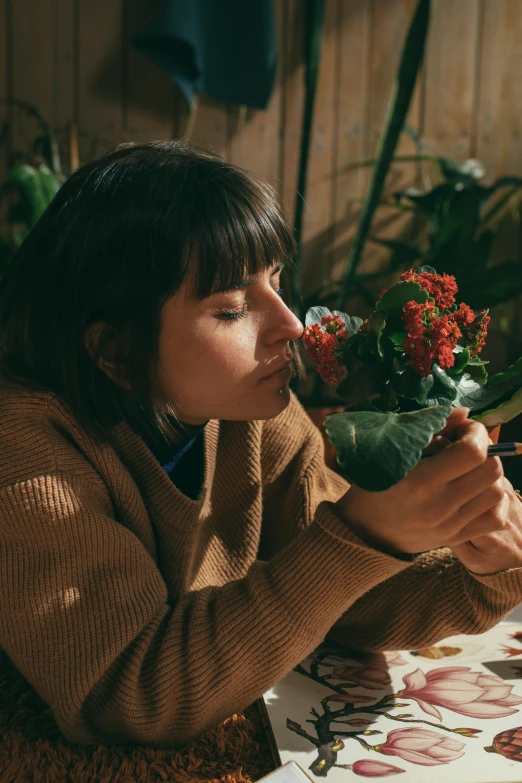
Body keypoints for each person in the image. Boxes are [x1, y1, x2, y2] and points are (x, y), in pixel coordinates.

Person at [0, 140, 521, 750]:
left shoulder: (245, 409)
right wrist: (363, 535)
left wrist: (483, 563)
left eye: (275, 281)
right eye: (230, 309)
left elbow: (341, 602)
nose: (291, 324)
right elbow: (126, 699)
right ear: (115, 352)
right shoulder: (23, 455)